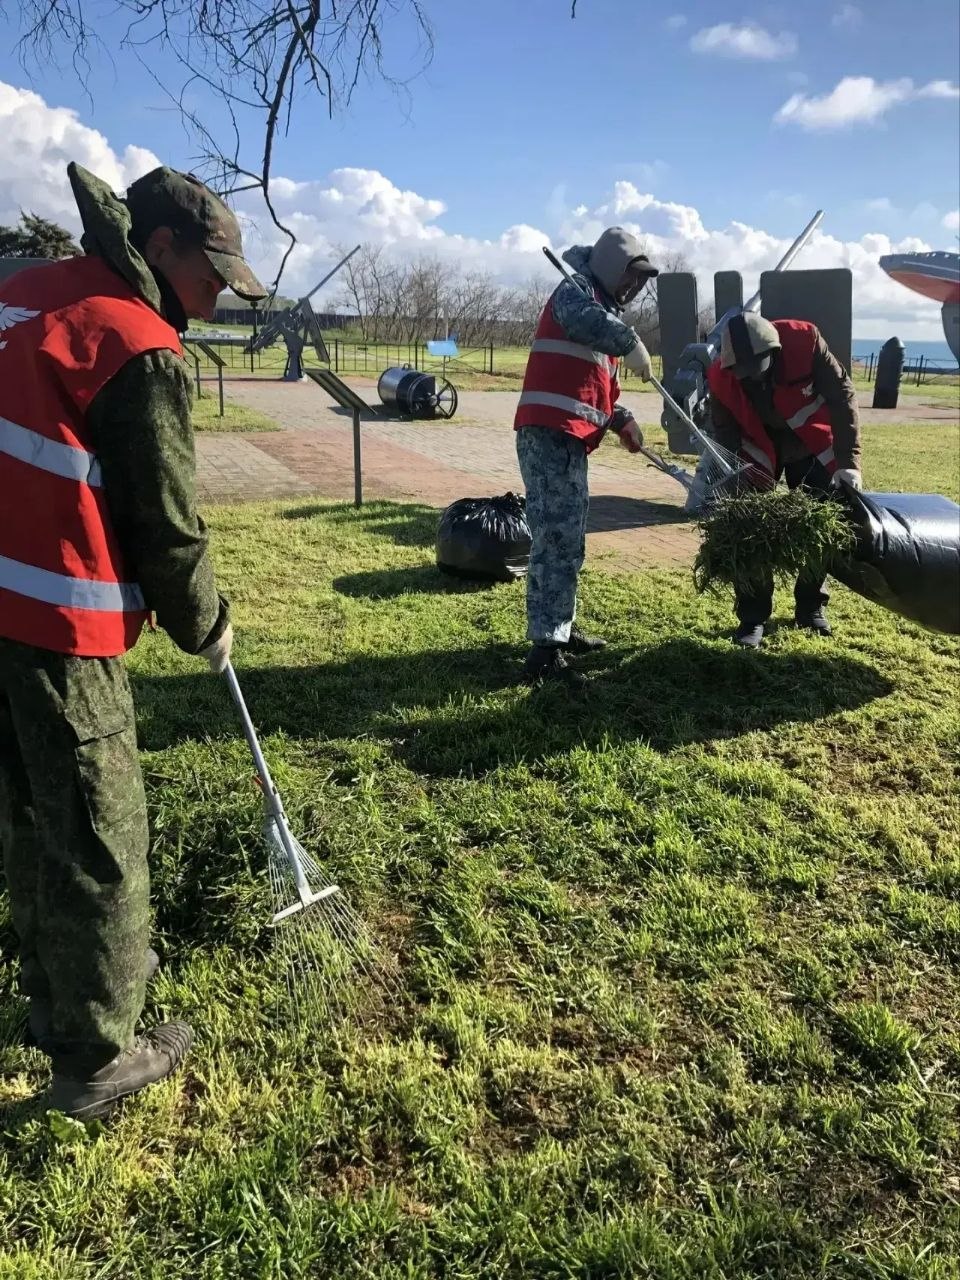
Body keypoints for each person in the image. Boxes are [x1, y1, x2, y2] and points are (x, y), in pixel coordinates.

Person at [0, 161, 267, 1118]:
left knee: (30, 821)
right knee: (101, 838)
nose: (214, 302)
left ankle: (54, 1000)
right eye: (211, 278)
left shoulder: (21, 287)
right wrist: (209, 622)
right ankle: (98, 1060)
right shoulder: (137, 343)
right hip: (54, 624)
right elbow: (167, 524)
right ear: (159, 249)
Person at [514, 227, 658, 685]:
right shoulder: (576, 294)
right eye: (631, 278)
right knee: (556, 539)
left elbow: (594, 389)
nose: (633, 289)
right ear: (614, 270)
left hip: (568, 436)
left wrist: (623, 420)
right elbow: (585, 324)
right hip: (549, 436)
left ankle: (560, 627)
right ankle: (546, 651)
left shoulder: (602, 309)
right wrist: (631, 342)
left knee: (568, 539)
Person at [707, 312, 863, 648]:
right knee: (747, 528)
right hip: (758, 445)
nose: (750, 379)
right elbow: (725, 432)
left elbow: (842, 396)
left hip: (810, 443)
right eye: (742, 374)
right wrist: (731, 476)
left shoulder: (806, 342)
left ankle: (810, 607)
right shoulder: (721, 376)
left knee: (817, 522)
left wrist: (849, 463)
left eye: (755, 370)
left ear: (773, 352)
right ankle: (752, 617)